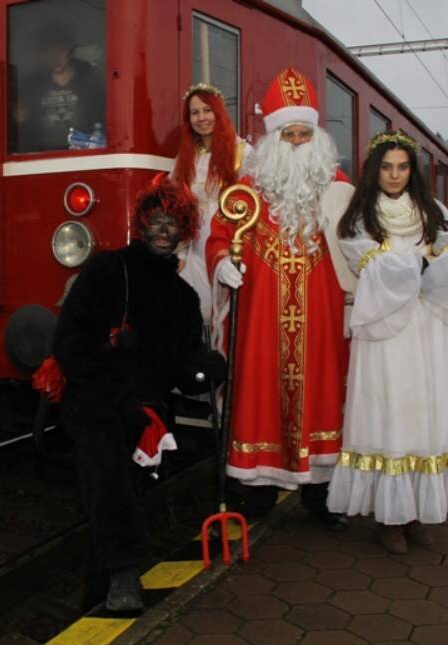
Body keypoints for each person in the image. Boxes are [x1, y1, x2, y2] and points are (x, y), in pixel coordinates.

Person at [51, 178, 227, 612]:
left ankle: (99, 587)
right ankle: (125, 572)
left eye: (174, 223)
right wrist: (117, 395)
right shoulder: (107, 270)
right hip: (94, 396)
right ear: (142, 223)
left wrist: (209, 368)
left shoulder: (184, 298)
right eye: (157, 220)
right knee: (107, 467)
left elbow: (185, 373)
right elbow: (70, 344)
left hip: (147, 407)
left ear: (184, 232)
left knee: (122, 487)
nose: (164, 230)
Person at [205, 68, 356, 527]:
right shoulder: (247, 191)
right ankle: (259, 492)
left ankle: (321, 495)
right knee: (260, 396)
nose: (295, 142)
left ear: (316, 136)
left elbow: (359, 242)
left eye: (302, 133)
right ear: (272, 137)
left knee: (325, 400)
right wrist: (221, 263)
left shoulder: (339, 189)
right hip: (261, 319)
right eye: (287, 134)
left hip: (322, 321)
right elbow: (218, 237)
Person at [328, 130, 448, 555]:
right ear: (373, 170)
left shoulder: (431, 209)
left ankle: (417, 513)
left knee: (428, 411)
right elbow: (366, 262)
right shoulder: (360, 214)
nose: (395, 175)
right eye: (386, 167)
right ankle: (389, 519)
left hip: (429, 326)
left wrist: (441, 262)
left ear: (411, 171)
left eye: (402, 167)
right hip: (386, 329)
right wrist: (421, 264)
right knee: (391, 411)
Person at [171, 83, 253, 321]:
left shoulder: (243, 153)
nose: (201, 118)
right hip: (192, 247)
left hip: (228, 242)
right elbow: (173, 204)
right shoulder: (185, 158)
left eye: (207, 110)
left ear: (219, 112)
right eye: (194, 113)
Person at [15, 28, 105, 152]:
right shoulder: (32, 86)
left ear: (69, 52)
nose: (56, 58)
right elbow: (22, 124)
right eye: (51, 52)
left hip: (83, 156)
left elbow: (102, 122)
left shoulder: (89, 83)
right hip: (42, 158)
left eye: (60, 51)